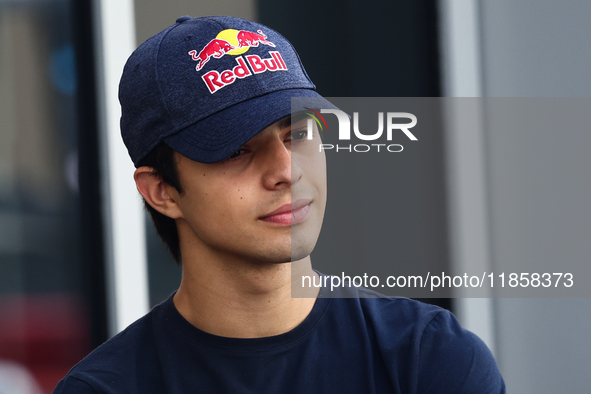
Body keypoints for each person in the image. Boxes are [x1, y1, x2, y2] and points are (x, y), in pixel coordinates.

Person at [54, 16, 505, 393]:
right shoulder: (107, 388)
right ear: (162, 192)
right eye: (235, 150)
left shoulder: (428, 357)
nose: (287, 171)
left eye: (300, 133)